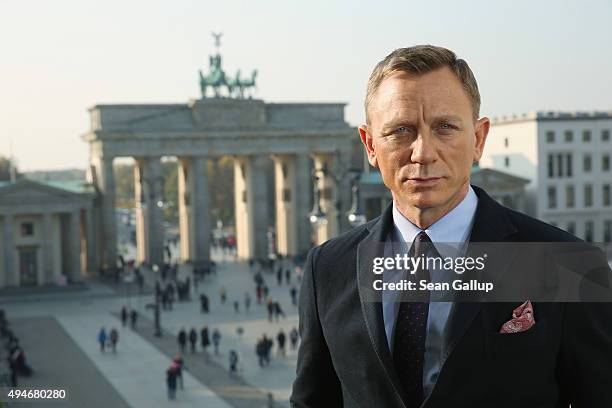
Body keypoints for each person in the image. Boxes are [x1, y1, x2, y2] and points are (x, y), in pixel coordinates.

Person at [290, 45, 612, 408]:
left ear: (478, 139)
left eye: (444, 127)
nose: (423, 152)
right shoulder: (328, 269)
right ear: (369, 145)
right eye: (401, 131)